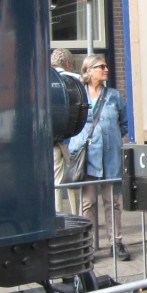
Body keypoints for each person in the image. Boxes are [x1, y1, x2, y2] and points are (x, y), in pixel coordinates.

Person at [68, 53, 131, 260]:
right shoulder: (79, 96)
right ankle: (87, 246)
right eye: (100, 66)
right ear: (88, 71)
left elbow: (123, 123)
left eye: (105, 66)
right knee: (88, 204)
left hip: (110, 157)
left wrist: (110, 139)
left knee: (112, 202)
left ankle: (116, 243)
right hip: (88, 158)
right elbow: (71, 124)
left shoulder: (114, 96)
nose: (106, 69)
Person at [50, 48, 80, 215]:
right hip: (72, 140)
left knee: (56, 181)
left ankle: (58, 215)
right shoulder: (75, 79)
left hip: (53, 140)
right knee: (73, 180)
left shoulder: (44, 81)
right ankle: (76, 215)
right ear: (68, 63)